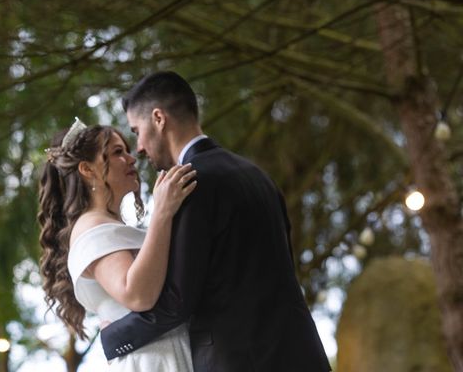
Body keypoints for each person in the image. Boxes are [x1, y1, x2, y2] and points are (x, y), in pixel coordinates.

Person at [100, 71, 332, 372]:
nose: (140, 147)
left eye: (136, 130)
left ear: (158, 118)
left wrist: (112, 337)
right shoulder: (257, 175)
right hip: (303, 353)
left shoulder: (187, 184)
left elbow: (176, 301)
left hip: (240, 360)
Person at [38, 118, 197, 371]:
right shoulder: (93, 229)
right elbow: (137, 294)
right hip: (153, 361)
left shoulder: (108, 226)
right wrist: (162, 213)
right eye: (117, 152)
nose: (131, 159)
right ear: (87, 170)